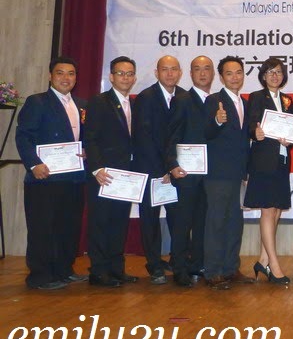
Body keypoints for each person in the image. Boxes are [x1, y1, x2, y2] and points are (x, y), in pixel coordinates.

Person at [15, 56, 87, 290]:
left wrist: (86, 150)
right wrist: (33, 164)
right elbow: (23, 136)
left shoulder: (81, 104)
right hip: (44, 178)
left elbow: (84, 137)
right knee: (43, 228)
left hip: (73, 178)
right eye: (60, 73)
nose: (66, 78)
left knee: (68, 226)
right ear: (50, 76)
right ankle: (40, 276)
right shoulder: (37, 102)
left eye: (71, 73)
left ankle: (64, 270)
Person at [84, 56, 139, 287]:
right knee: (101, 223)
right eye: (120, 73)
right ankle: (98, 272)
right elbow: (90, 138)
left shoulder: (134, 104)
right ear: (111, 77)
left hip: (126, 176)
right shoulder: (99, 102)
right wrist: (97, 168)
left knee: (119, 222)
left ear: (134, 78)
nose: (125, 78)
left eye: (129, 74)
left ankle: (116, 269)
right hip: (104, 175)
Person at [203, 56, 254, 290]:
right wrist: (217, 120)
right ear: (221, 77)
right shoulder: (214, 101)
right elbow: (205, 132)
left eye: (239, 72)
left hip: (238, 172)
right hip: (218, 173)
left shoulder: (245, 102)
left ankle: (231, 268)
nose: (235, 77)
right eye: (229, 73)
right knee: (216, 222)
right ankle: (213, 271)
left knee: (235, 222)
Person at [132, 55, 184, 284]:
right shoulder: (146, 98)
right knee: (150, 219)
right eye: (165, 69)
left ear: (180, 73)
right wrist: (164, 168)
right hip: (152, 170)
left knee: (178, 218)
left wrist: (173, 167)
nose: (170, 74)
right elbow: (143, 137)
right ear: (156, 72)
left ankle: (177, 260)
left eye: (174, 69)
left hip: (175, 171)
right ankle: (154, 264)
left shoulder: (184, 97)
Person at [243, 57, 293, 285]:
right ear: (263, 76)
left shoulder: (287, 100)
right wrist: (255, 133)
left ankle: (262, 260)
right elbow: (250, 125)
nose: (275, 75)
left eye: (279, 72)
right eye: (270, 72)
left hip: (282, 160)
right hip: (263, 161)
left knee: (277, 210)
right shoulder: (256, 97)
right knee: (267, 210)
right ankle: (274, 265)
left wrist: (289, 140)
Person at [165, 55, 214, 286]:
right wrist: (172, 164)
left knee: (202, 222)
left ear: (213, 74)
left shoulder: (215, 102)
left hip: (209, 174)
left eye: (207, 69)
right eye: (197, 69)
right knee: (182, 223)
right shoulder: (182, 99)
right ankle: (179, 268)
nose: (202, 73)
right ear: (191, 73)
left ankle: (197, 264)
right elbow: (171, 134)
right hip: (186, 172)